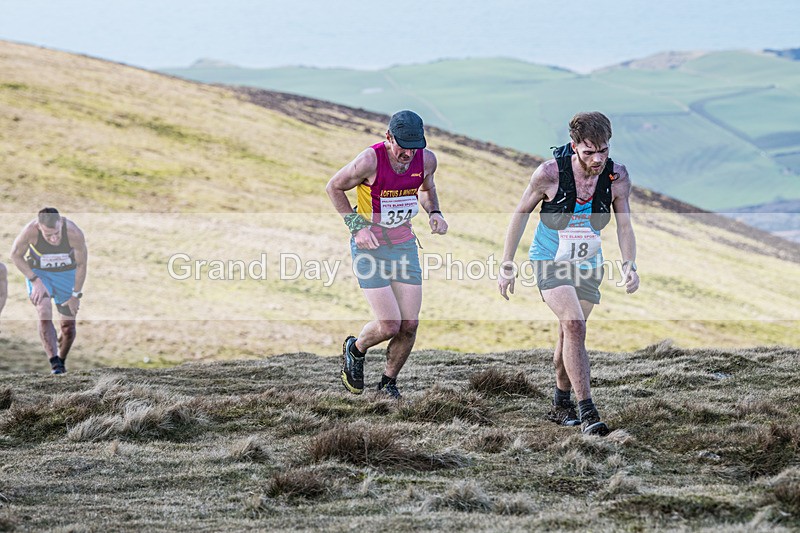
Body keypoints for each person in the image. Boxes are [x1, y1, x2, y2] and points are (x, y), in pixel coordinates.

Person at [498, 112, 639, 436]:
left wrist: (629, 264)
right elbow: (520, 214)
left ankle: (561, 404)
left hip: (588, 263)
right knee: (574, 325)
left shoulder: (618, 177)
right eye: (589, 152)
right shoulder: (549, 174)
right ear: (574, 147)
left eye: (603, 150)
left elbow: (625, 224)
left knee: (569, 333)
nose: (598, 158)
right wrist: (507, 264)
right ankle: (588, 412)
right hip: (549, 258)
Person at [326, 110, 448, 399]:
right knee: (389, 324)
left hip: (404, 244)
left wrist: (435, 212)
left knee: (410, 324)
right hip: (370, 247)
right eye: (402, 146)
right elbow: (334, 187)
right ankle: (355, 349)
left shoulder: (426, 159)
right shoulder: (370, 160)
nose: (407, 153)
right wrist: (357, 228)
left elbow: (427, 189)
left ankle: (387, 384)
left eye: (414, 146)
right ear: (388, 137)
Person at [10, 208, 88, 374]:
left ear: (61, 223)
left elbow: (82, 265)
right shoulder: (30, 232)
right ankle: (55, 363)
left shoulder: (74, 233)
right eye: (48, 235)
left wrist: (76, 295)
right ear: (39, 227)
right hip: (40, 274)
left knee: (68, 327)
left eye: (57, 234)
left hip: (66, 274)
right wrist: (34, 280)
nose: (53, 239)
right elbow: (16, 255)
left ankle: (61, 360)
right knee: (44, 309)